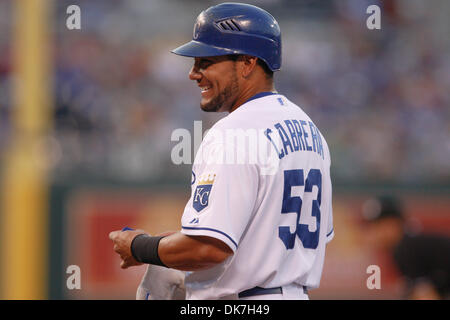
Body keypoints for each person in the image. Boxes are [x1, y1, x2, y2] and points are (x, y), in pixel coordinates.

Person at [109, 2, 334, 300]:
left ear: (247, 63)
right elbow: (262, 238)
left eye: (206, 61)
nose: (193, 73)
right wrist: (169, 253)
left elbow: (209, 248)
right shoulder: (310, 131)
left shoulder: (235, 133)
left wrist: (140, 247)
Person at [361, 195, 450, 299]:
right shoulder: (408, 243)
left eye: (378, 226)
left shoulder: (406, 248)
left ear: (394, 224)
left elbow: (426, 296)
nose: (374, 233)